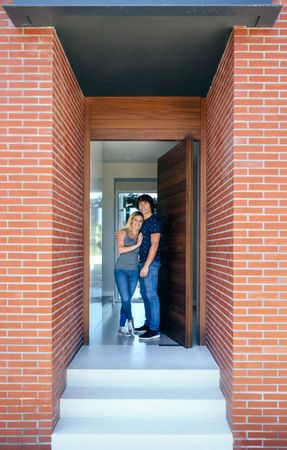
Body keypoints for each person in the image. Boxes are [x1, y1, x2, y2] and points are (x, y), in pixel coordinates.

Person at [134, 194, 162, 341]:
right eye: (140, 204)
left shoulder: (155, 221)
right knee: (144, 295)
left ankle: (154, 328)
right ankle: (148, 323)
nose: (142, 206)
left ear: (151, 205)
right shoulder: (142, 221)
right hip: (141, 263)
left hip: (150, 264)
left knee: (151, 295)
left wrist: (146, 266)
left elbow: (155, 244)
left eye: (145, 203)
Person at [114, 211, 144, 336]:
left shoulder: (142, 235)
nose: (137, 223)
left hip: (134, 271)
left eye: (140, 221)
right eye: (135, 220)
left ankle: (122, 327)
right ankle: (130, 321)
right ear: (131, 220)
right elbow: (120, 250)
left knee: (127, 300)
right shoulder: (123, 232)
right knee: (125, 298)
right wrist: (137, 245)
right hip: (120, 270)